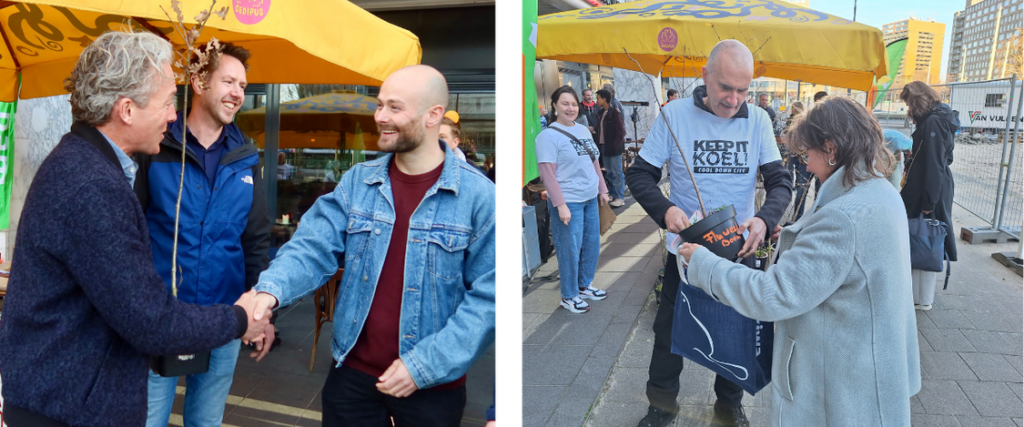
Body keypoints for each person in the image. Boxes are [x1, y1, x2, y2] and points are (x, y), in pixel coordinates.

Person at [0, 30, 270, 427]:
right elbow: (151, 322)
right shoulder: (93, 186)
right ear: (127, 110)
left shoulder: (81, 164)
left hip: (66, 393)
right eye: (165, 103)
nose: (173, 115)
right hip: (69, 405)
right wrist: (240, 319)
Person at [244, 65, 497, 427]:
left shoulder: (481, 199)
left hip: (432, 388)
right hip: (352, 379)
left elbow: (490, 300)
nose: (380, 117)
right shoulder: (358, 182)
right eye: (380, 106)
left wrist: (424, 365)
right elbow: (312, 246)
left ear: (433, 115)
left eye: (395, 108)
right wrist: (269, 293)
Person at [677, 96, 921, 426]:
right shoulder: (879, 191)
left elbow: (773, 295)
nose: (805, 165)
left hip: (841, 389)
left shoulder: (843, 218)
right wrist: (791, 235)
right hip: (871, 369)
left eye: (808, 154)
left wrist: (704, 264)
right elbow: (842, 262)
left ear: (831, 149)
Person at [625, 39, 793, 427]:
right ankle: (661, 406)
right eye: (725, 88)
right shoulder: (673, 115)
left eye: (743, 90)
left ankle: (729, 405)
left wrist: (765, 219)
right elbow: (640, 174)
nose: (734, 99)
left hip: (739, 248)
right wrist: (665, 209)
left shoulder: (759, 121)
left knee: (737, 329)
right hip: (686, 250)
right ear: (704, 75)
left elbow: (779, 180)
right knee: (669, 331)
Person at [131, 42, 273, 427]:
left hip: (223, 317)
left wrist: (262, 311)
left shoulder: (246, 156)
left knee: (206, 423)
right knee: (147, 420)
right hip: (161, 317)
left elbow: (256, 240)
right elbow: (131, 231)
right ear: (197, 82)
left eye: (243, 85)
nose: (238, 93)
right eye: (229, 81)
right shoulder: (157, 145)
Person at [535, 86, 611, 313]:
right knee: (569, 249)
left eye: (574, 104)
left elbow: (594, 162)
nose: (571, 108)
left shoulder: (583, 130)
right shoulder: (547, 136)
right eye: (565, 103)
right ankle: (569, 296)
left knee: (591, 245)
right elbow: (548, 174)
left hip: (590, 198)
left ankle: (584, 285)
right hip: (569, 201)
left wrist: (602, 189)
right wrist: (560, 205)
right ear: (555, 106)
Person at [899, 81, 959, 310]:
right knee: (922, 236)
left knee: (926, 237)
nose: (907, 109)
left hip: (929, 189)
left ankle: (922, 298)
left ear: (916, 101)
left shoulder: (933, 122)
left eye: (908, 103)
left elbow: (934, 165)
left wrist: (928, 202)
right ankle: (918, 295)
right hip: (929, 187)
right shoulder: (937, 119)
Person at [783, 101, 816, 221]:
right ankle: (797, 218)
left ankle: (810, 218)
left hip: (807, 160)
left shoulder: (810, 123)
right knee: (801, 191)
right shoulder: (793, 121)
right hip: (801, 159)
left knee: (812, 191)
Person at [596, 89, 627, 208]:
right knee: (609, 172)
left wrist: (615, 145)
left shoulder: (614, 112)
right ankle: (614, 195)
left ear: (604, 99)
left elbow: (621, 132)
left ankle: (620, 197)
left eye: (598, 98)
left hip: (614, 148)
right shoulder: (600, 113)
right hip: (603, 146)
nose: (596, 100)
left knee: (617, 172)